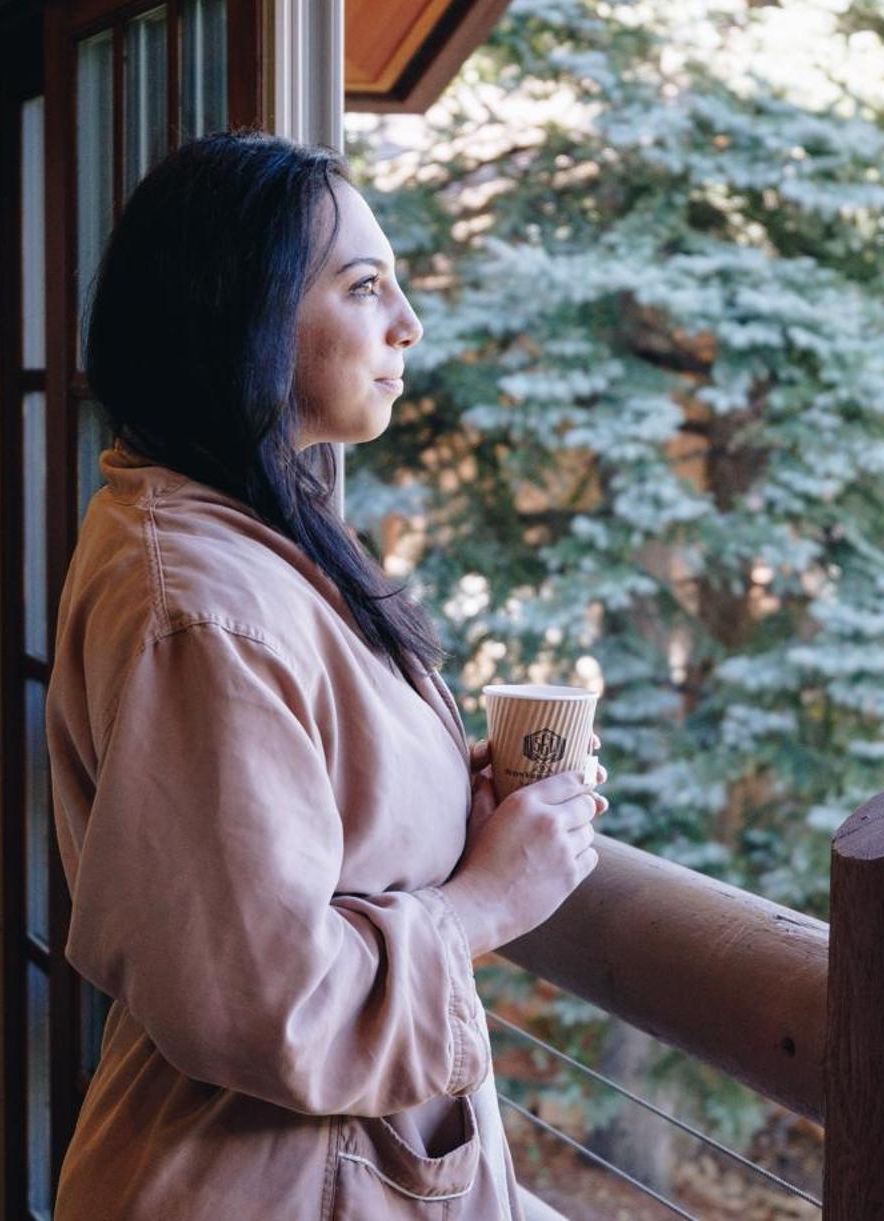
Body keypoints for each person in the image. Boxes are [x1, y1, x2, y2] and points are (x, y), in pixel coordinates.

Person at [45, 130, 608, 1218]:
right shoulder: (203, 608)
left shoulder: (249, 536)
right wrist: (485, 900)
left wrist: (458, 808)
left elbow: (298, 835)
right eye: (363, 287)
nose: (409, 324)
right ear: (240, 313)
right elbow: (266, 998)